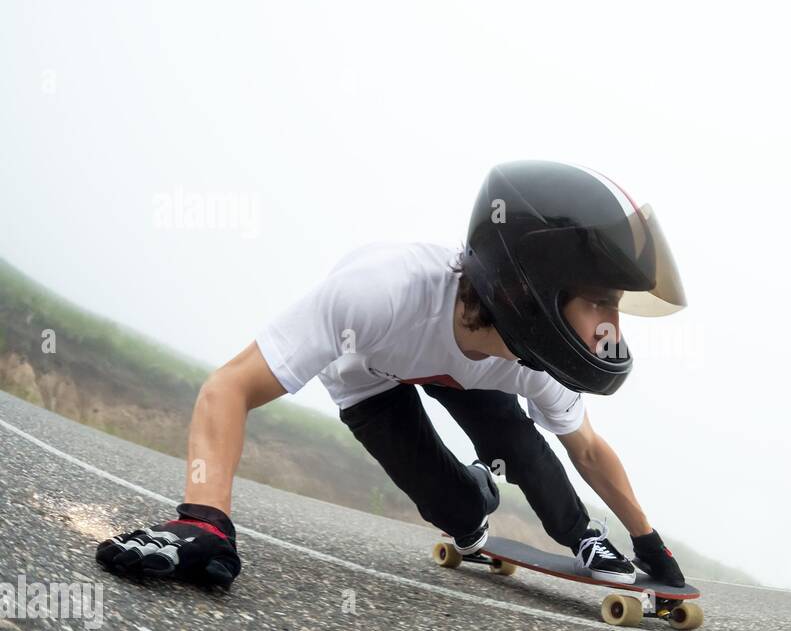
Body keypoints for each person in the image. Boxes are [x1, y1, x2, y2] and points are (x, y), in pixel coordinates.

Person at [94, 160, 688, 590]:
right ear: (532, 288)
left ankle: (581, 534)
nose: (612, 326)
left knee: (524, 451)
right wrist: (206, 518)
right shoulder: (378, 294)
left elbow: (586, 451)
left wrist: (647, 541)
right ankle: (477, 488)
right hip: (372, 373)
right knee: (457, 513)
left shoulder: (535, 358)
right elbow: (229, 386)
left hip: (480, 374)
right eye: (600, 302)